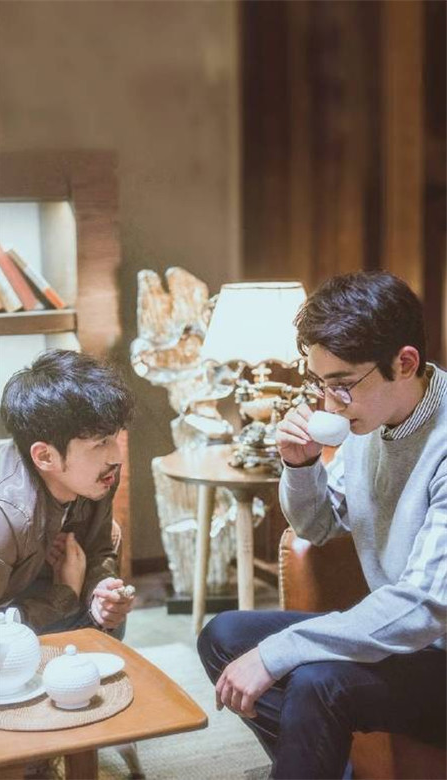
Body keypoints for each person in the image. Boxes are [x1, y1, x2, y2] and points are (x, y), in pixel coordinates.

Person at [198, 271, 447, 779]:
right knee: (224, 635)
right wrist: (301, 465)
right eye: (320, 383)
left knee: (317, 681)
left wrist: (279, 652)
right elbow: (317, 526)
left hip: (435, 648)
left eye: (342, 385)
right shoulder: (371, 418)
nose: (329, 403)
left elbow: (424, 607)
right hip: (403, 642)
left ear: (404, 363)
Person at [0, 349, 135, 639]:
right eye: (100, 443)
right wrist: (65, 593)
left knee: (107, 618)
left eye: (115, 436)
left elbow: (99, 546)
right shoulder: (6, 516)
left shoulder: (95, 476)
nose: (116, 456)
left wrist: (100, 589)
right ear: (45, 456)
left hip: (29, 589)